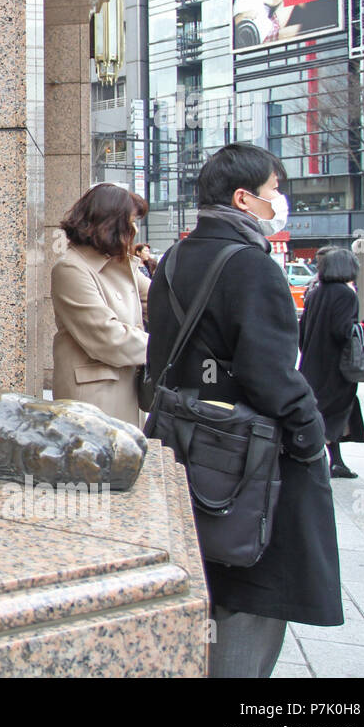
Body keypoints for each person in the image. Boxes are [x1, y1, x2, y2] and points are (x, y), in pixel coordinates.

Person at [146, 142, 338, 678]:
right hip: (246, 460)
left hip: (181, 446)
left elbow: (160, 357)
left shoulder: (175, 258)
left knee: (201, 581)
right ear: (243, 198)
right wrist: (308, 433)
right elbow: (271, 375)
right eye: (275, 190)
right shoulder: (252, 267)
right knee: (249, 598)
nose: (279, 201)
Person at [51, 182, 150, 427]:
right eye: (131, 220)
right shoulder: (71, 268)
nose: (135, 229)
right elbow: (107, 338)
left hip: (124, 393)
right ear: (112, 222)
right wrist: (163, 350)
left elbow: (161, 300)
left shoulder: (121, 266)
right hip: (94, 402)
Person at [299, 249, 364, 481]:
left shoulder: (316, 293)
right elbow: (344, 332)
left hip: (313, 363)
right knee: (332, 413)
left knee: (323, 411)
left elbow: (302, 333)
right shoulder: (345, 294)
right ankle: (316, 458)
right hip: (335, 368)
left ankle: (334, 461)